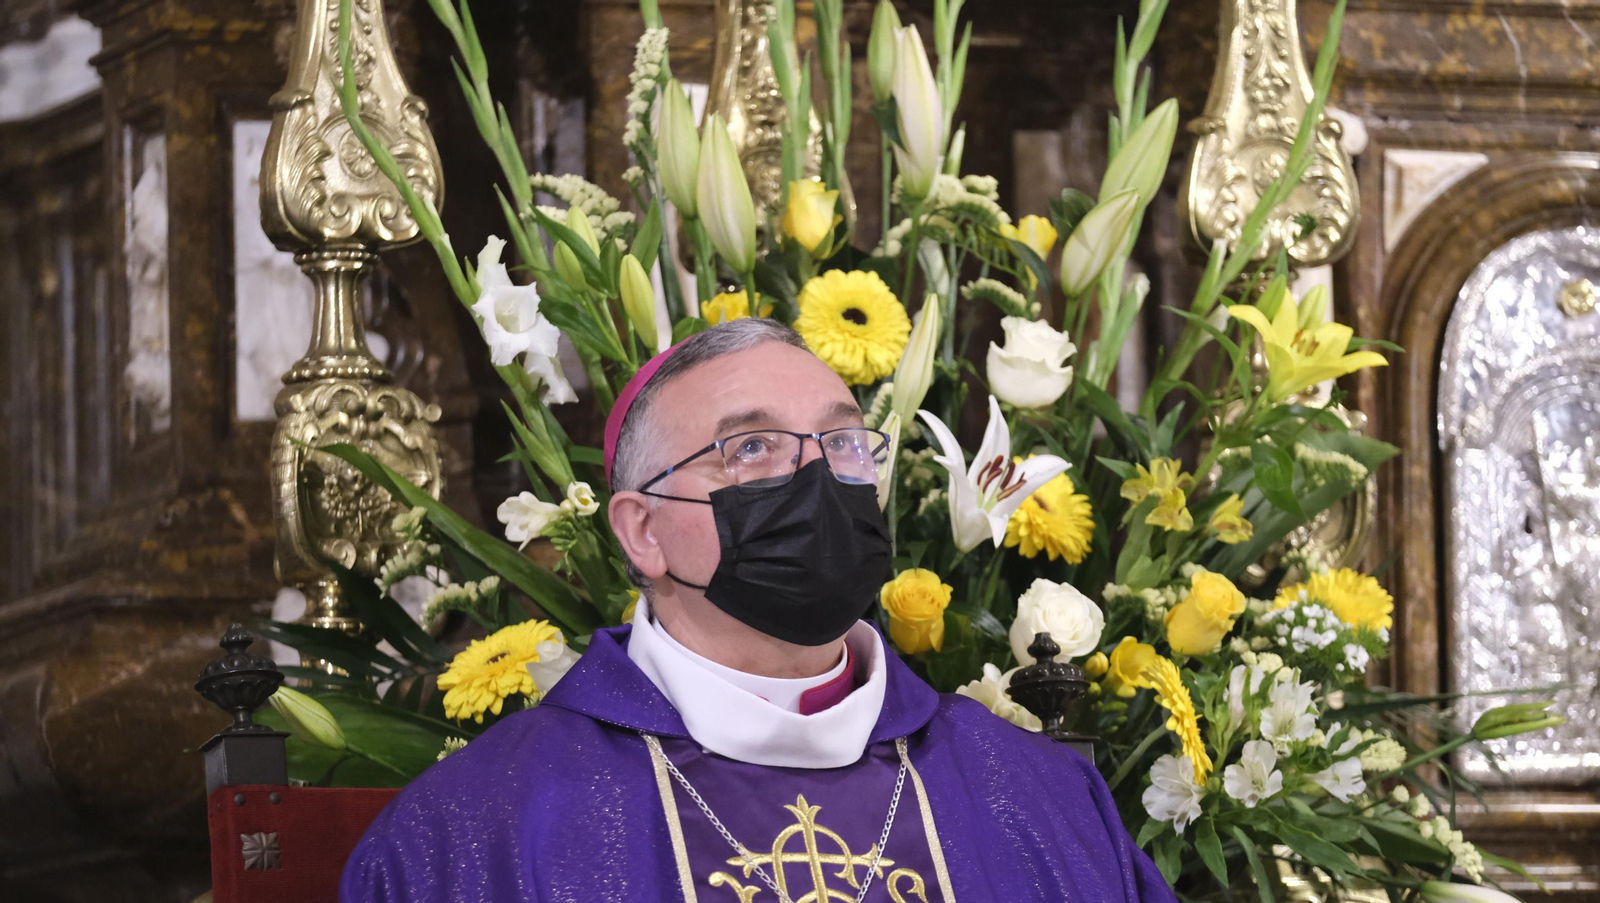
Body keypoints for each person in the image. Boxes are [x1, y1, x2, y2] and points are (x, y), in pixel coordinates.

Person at [341, 319, 1175, 902]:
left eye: (843, 443)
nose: (817, 481)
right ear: (643, 532)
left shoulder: (1037, 793)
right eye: (750, 449)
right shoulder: (476, 828)